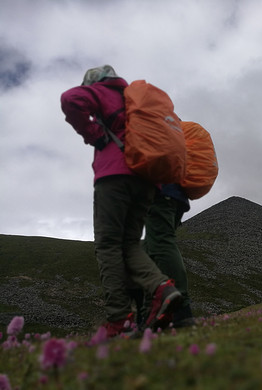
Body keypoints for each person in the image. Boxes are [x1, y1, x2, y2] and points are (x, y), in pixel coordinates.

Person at [60, 65, 182, 337]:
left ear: (94, 81)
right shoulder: (134, 100)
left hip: (114, 176)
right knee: (129, 244)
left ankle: (118, 319)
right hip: (147, 181)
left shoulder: (103, 92)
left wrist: (94, 135)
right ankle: (162, 288)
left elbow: (71, 99)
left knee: (108, 245)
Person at [144, 183, 195, 328]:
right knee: (149, 248)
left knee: (161, 243)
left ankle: (181, 310)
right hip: (175, 194)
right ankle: (149, 315)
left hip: (161, 191)